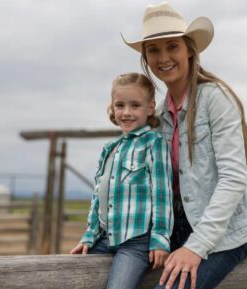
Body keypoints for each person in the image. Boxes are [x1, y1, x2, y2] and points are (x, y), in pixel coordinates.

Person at [121, 2, 247, 289]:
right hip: (177, 229)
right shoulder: (158, 115)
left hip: (223, 234)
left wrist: (195, 246)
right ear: (146, 57)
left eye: (172, 46)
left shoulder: (215, 99)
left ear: (189, 49)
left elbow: (234, 179)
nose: (163, 57)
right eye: (154, 50)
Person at [70, 72, 174, 289]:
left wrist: (160, 240)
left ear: (150, 107)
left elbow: (162, 196)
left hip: (135, 243)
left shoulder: (153, 144)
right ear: (112, 107)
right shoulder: (110, 148)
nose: (126, 112)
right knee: (68, 275)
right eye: (120, 105)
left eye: (135, 105)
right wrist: (89, 236)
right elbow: (98, 197)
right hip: (105, 239)